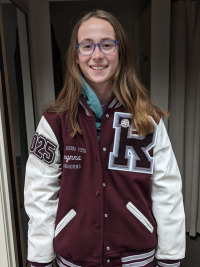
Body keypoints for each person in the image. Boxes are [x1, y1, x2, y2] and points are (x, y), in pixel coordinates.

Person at [24, 9, 185, 267]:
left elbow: (166, 190)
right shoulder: (54, 123)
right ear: (75, 56)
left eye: (107, 45)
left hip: (136, 257)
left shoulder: (148, 120)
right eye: (87, 46)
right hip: (75, 257)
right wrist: (40, 259)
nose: (97, 55)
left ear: (121, 54)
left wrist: (170, 257)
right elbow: (40, 195)